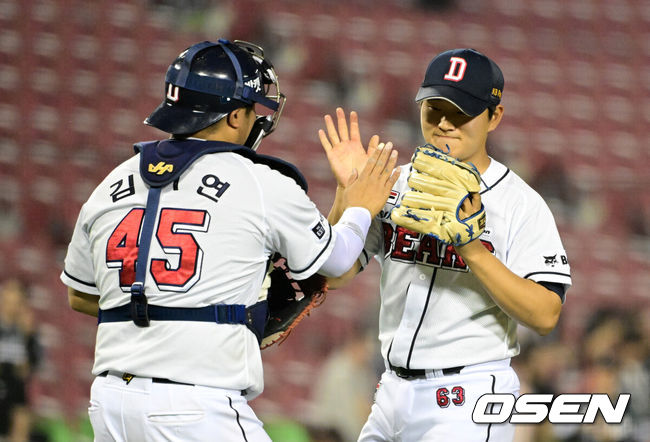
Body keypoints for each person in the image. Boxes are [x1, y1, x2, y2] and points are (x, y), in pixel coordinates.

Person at [60, 38, 399, 441]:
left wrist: (168, 308)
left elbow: (80, 296)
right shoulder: (257, 180)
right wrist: (360, 203)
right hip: (195, 405)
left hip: (110, 403)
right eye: (253, 109)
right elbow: (338, 261)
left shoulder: (113, 180)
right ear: (235, 115)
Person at [319, 48, 572, 441]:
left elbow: (545, 314)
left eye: (460, 112)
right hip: (390, 391)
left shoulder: (520, 203)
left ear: (495, 117)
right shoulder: (393, 181)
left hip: (467, 396)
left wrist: (472, 251)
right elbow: (332, 275)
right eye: (434, 109)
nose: (443, 123)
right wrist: (345, 196)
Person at [0, 279, 41, 442]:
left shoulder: (27, 331)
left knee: (21, 423)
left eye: (17, 300)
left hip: (15, 393)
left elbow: (28, 368)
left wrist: (27, 336)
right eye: (8, 297)